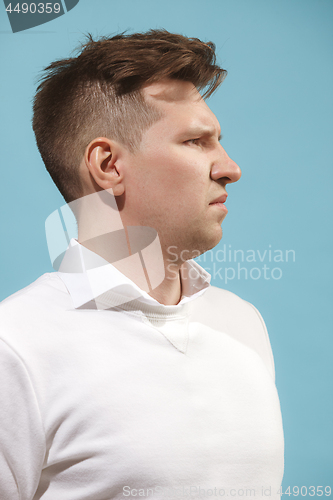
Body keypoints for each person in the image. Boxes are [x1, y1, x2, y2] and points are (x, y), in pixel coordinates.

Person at [0, 30, 284, 499]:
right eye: (196, 141)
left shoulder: (242, 323)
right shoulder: (15, 348)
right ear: (108, 164)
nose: (230, 167)